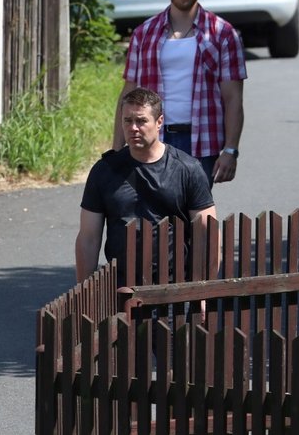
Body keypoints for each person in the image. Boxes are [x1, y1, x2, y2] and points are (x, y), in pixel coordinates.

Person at [78, 87, 217, 287]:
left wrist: (204, 292)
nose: (133, 128)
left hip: (175, 288)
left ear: (159, 122)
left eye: (141, 121)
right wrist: (85, 292)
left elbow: (207, 234)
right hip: (120, 289)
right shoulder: (104, 171)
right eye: (127, 121)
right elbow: (88, 238)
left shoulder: (187, 169)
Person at [116, 0, 246, 187]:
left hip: (202, 143)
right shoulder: (143, 33)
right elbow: (128, 94)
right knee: (151, 212)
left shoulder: (223, 33)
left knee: (196, 215)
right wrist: (116, 150)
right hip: (151, 139)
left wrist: (230, 150)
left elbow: (233, 98)